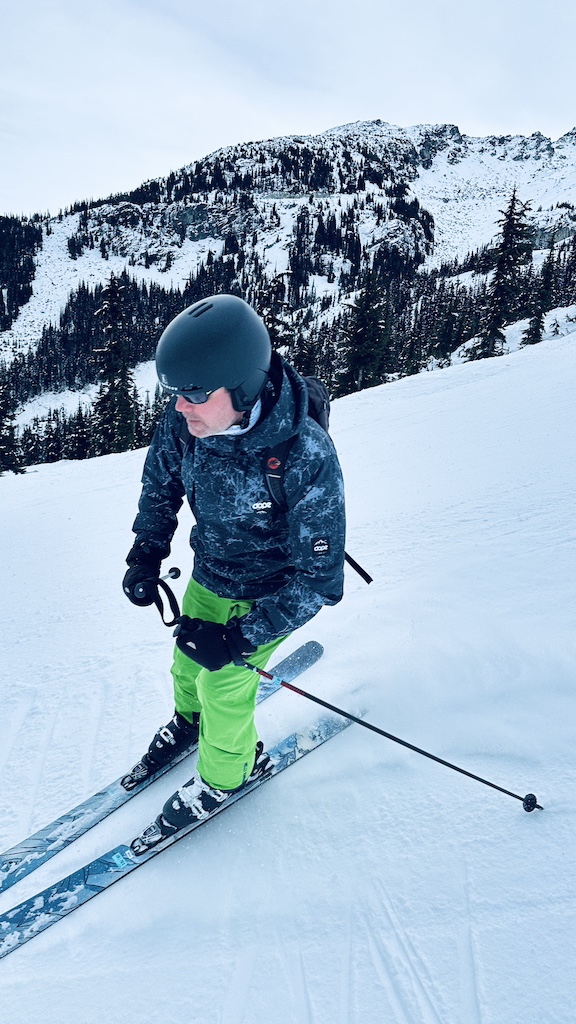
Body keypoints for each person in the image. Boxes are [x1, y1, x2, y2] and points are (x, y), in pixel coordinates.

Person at [122, 293, 346, 850]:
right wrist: (146, 552)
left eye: (196, 393)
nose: (180, 406)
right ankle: (188, 721)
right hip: (212, 573)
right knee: (185, 661)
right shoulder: (185, 426)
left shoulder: (303, 453)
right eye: (175, 392)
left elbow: (320, 579)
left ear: (242, 388)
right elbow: (160, 488)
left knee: (224, 684)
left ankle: (227, 775)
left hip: (271, 595)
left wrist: (242, 637)